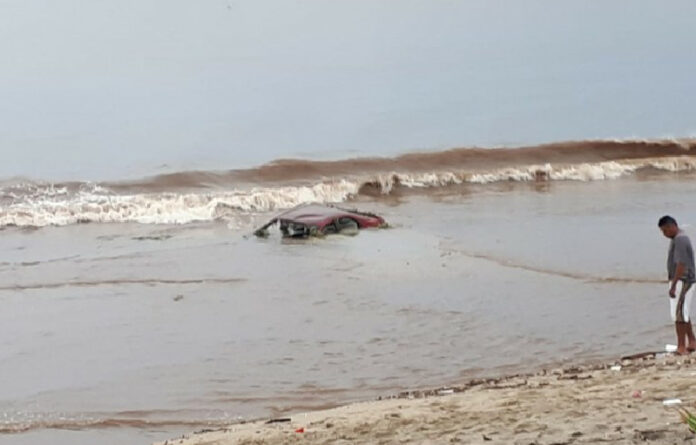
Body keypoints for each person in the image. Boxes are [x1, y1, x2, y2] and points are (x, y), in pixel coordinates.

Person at [658, 215, 696, 355]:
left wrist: (674, 284)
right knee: (682, 311)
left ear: (671, 226)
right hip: (683, 279)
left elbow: (681, 264)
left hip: (683, 280)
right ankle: (692, 341)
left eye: (664, 231)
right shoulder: (679, 238)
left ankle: (681, 346)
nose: (664, 234)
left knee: (678, 314)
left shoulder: (680, 240)